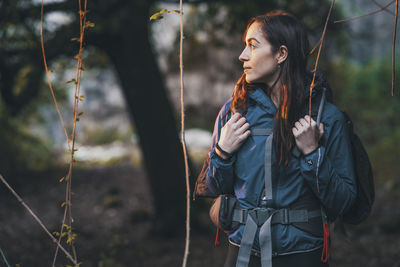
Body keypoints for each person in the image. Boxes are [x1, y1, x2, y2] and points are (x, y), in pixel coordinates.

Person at [195, 10, 357, 267]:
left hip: (303, 254)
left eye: (252, 46)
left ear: (281, 54)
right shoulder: (234, 111)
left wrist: (313, 155)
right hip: (242, 252)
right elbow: (213, 188)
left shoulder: (325, 117)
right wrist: (222, 152)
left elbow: (344, 201)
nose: (243, 56)